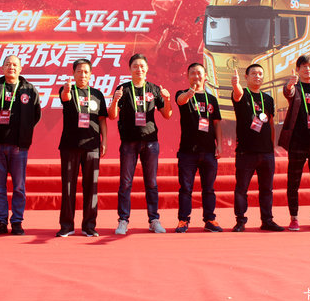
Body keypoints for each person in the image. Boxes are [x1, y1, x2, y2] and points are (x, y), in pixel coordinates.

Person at [108, 53, 172, 234]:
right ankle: (123, 220)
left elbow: (167, 115)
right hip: (129, 142)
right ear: (130, 69)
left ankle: (154, 220)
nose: (139, 69)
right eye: (135, 66)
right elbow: (112, 115)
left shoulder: (154, 89)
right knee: (125, 183)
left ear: (147, 68)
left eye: (142, 66)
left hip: (150, 142)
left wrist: (167, 99)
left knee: (151, 183)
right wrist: (115, 100)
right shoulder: (123, 89)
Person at [0, 55, 41, 236]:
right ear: (3, 67)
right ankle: (0, 221)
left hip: (18, 146)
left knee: (19, 187)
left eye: (15, 65)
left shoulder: (29, 89)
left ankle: (17, 222)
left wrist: (24, 131)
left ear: (21, 68)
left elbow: (36, 115)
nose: (11, 67)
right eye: (8, 64)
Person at [56, 59, 108, 238]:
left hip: (92, 146)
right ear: (73, 73)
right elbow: (65, 98)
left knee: (91, 188)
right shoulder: (68, 90)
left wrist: (104, 140)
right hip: (70, 146)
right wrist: (66, 90)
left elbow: (102, 120)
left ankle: (89, 226)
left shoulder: (97, 94)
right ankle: (66, 226)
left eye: (86, 72)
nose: (82, 75)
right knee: (68, 187)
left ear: (90, 74)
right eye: (79, 71)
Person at [278, 55, 310, 231]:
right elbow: (288, 93)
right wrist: (289, 86)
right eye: (304, 66)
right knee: (293, 182)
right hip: (298, 142)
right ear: (298, 70)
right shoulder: (295, 88)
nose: (307, 69)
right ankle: (294, 218)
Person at [231, 64, 284, 232]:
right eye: (253, 73)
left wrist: (272, 146)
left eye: (260, 74)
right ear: (246, 77)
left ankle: (267, 220)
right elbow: (237, 94)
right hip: (246, 152)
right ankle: (240, 221)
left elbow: (271, 123)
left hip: (266, 152)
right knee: (241, 189)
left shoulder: (267, 99)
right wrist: (235, 85)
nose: (257, 76)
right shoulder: (243, 94)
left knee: (267, 189)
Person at [174, 63, 223, 233]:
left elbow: (216, 124)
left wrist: (219, 145)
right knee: (186, 189)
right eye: (192, 73)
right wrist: (189, 94)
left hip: (209, 151)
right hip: (188, 152)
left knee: (208, 189)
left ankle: (210, 219)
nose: (196, 76)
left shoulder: (212, 99)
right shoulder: (182, 94)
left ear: (205, 76)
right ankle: (183, 220)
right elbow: (180, 101)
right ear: (188, 76)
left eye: (199, 73)